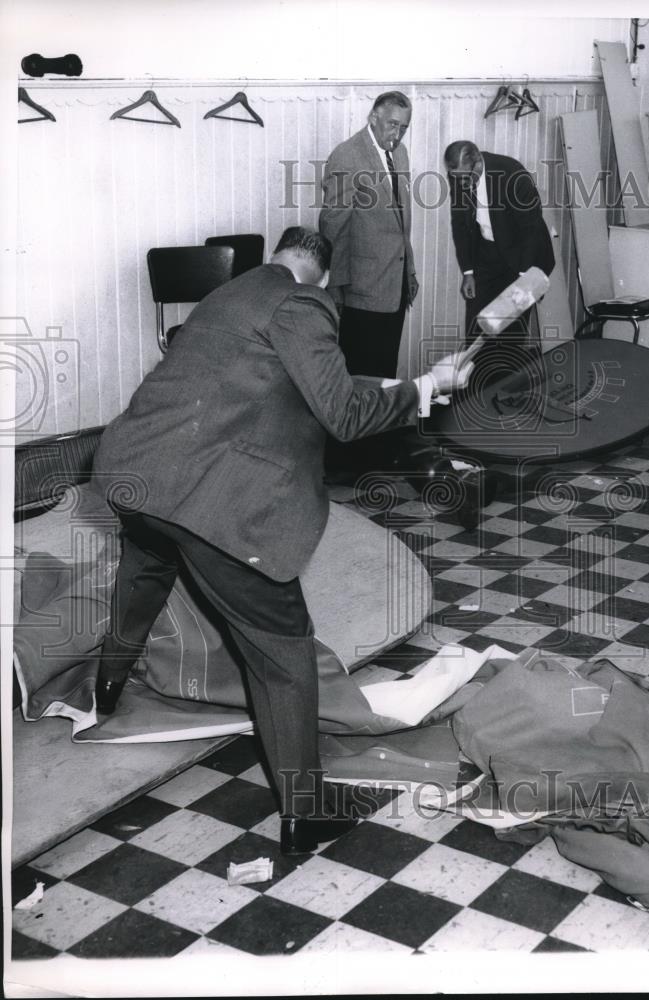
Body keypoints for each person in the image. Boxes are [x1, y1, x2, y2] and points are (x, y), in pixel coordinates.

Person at [92, 226, 468, 856]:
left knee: (147, 569)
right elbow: (344, 416)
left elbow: (298, 379)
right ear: (317, 273)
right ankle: (305, 811)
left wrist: (401, 385)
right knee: (283, 656)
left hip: (136, 472)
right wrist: (428, 388)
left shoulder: (233, 293)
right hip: (212, 500)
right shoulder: (303, 302)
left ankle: (106, 688)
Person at [319, 91, 418, 379]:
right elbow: (333, 225)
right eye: (392, 124)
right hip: (361, 290)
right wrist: (335, 286)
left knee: (386, 371)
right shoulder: (347, 155)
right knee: (361, 376)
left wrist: (409, 270)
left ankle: (384, 425)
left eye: (404, 127)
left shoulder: (400, 153)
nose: (397, 133)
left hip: (394, 285)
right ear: (373, 117)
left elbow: (401, 219)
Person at [444, 140, 555, 348]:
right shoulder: (461, 175)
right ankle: (478, 379)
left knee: (511, 333)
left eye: (464, 179)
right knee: (477, 327)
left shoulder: (512, 173)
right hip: (488, 253)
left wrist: (523, 283)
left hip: (523, 256)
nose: (460, 185)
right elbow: (460, 225)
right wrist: (468, 272)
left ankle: (505, 378)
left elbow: (529, 230)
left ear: (477, 164)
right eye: (455, 178)